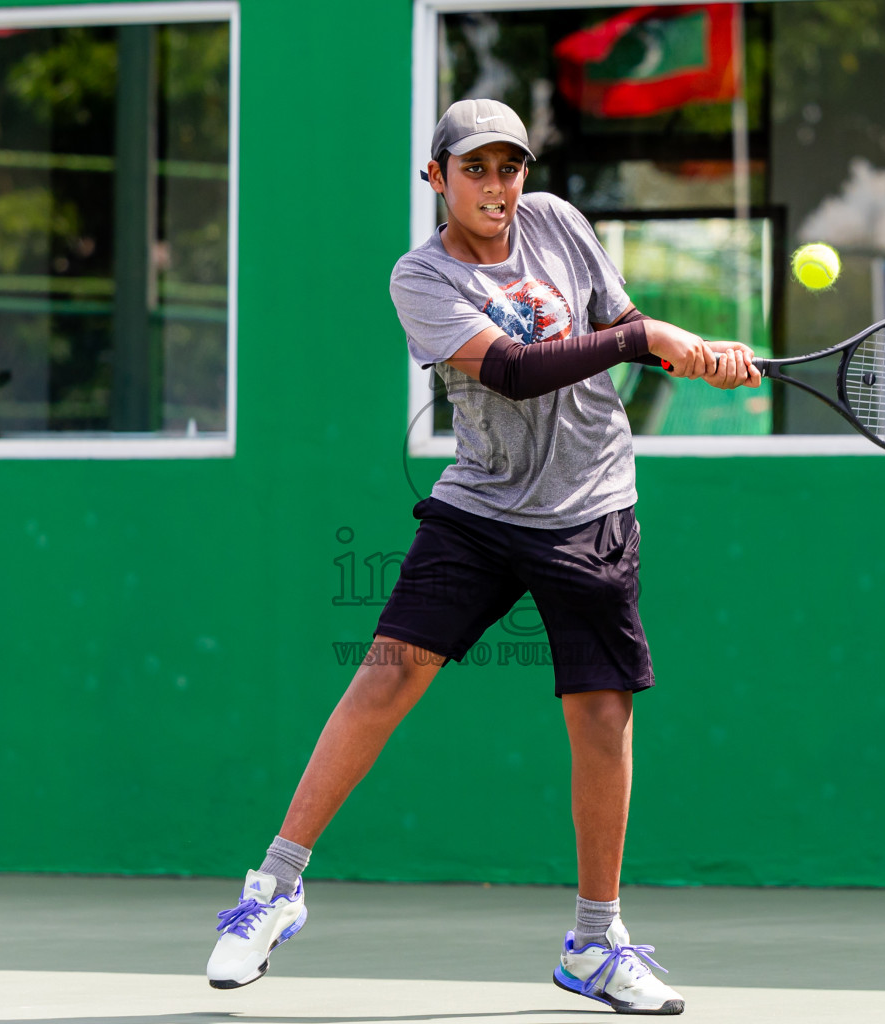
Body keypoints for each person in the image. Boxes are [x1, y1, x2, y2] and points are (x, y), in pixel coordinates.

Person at [204, 98, 759, 1016]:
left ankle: (595, 942)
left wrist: (687, 354)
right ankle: (274, 889)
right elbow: (510, 368)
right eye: (476, 170)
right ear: (437, 178)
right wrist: (643, 340)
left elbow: (621, 320)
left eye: (510, 168)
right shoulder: (418, 278)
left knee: (601, 714)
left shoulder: (559, 225)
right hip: (485, 506)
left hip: (590, 507)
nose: (498, 187)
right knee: (386, 675)